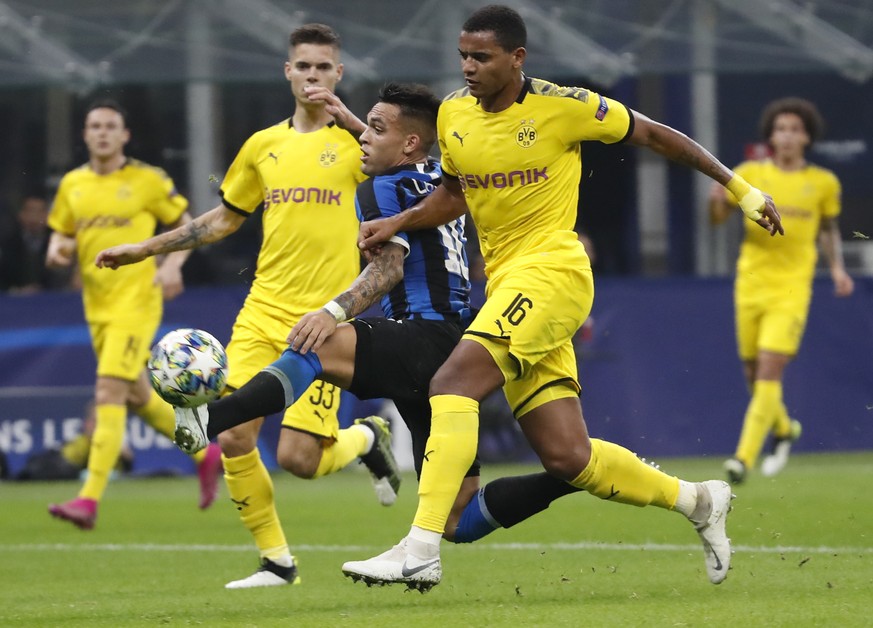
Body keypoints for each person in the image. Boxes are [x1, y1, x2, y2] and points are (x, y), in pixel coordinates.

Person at [346, 4, 784, 592]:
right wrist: (399, 222)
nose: (469, 67)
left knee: (452, 383)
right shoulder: (453, 115)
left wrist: (740, 187)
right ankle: (700, 500)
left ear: (517, 58)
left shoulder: (565, 107)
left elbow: (656, 134)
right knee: (568, 457)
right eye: (463, 56)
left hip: (553, 273)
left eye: (482, 57)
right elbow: (456, 194)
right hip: (507, 286)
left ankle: (420, 548)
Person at [169, 82, 583, 567]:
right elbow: (399, 144)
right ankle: (570, 475)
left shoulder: (381, 188)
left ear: (409, 142)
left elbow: (386, 270)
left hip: (424, 337)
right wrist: (356, 120)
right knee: (458, 519)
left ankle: (208, 421)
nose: (363, 139)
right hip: (457, 344)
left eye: (376, 129)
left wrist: (333, 311)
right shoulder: (441, 178)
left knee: (314, 349)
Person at [95, 24, 401, 589]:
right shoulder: (263, 146)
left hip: (326, 321)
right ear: (287, 72)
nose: (313, 76)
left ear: (339, 74)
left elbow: (404, 172)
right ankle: (277, 562)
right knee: (233, 433)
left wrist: (350, 118)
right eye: (303, 67)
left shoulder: (360, 146)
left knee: (300, 460)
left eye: (323, 68)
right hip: (262, 310)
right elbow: (224, 218)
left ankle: (365, 440)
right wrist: (145, 248)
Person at [45, 99, 223, 530]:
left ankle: (88, 499)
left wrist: (171, 266)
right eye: (95, 126)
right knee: (138, 397)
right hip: (97, 308)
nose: (102, 132)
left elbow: (186, 223)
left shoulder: (147, 180)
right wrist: (57, 250)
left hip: (136, 304)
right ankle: (207, 453)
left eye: (111, 126)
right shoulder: (73, 184)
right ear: (85, 134)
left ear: (124, 135)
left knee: (108, 391)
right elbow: (60, 236)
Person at [710, 98, 853, 484]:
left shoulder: (823, 183)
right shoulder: (748, 174)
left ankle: (742, 458)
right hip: (750, 284)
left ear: (806, 136)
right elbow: (716, 218)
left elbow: (828, 229)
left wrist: (838, 269)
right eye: (781, 129)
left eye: (794, 129)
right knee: (754, 375)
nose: (787, 135)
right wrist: (715, 204)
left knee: (771, 370)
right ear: (771, 136)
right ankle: (785, 428)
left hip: (791, 290)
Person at [0, 195, 73, 293]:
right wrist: (16, 290)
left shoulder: (57, 241)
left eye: (40, 211)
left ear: (48, 215)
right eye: (30, 211)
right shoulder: (8, 242)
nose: (34, 217)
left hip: (52, 298)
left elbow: (62, 275)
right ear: (21, 214)